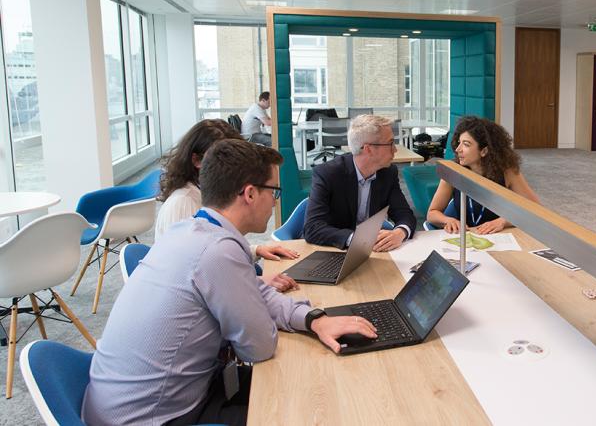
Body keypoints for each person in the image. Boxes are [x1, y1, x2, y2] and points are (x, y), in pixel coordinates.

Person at [83, 139, 377, 425]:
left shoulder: (193, 229)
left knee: (304, 385)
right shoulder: (216, 251)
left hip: (138, 399)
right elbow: (258, 347)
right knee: (308, 405)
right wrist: (273, 319)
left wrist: (314, 319)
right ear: (249, 194)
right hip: (154, 415)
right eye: (274, 192)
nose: (275, 201)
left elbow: (257, 291)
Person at [154, 118, 298, 292]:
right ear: (196, 160)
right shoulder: (183, 203)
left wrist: (255, 250)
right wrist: (258, 281)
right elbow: (190, 274)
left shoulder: (211, 195)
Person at [303, 114, 416, 251]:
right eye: (390, 143)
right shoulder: (328, 174)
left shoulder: (387, 173)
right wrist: (357, 240)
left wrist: (399, 233)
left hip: (371, 252)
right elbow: (312, 228)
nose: (395, 149)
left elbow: (404, 214)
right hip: (334, 251)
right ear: (368, 149)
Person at [426, 116, 540, 234]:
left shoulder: (507, 172)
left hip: (496, 237)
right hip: (463, 237)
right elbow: (432, 213)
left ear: (484, 151)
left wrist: (503, 221)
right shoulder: (453, 171)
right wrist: (447, 220)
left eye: (466, 144)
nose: (458, 149)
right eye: (459, 143)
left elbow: (535, 208)